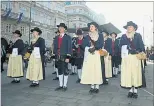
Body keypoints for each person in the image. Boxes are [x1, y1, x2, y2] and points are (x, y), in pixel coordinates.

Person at [120, 21, 145, 98]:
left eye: (130, 27)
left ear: (134, 28)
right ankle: (131, 90)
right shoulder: (124, 36)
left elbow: (141, 46)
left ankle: (135, 90)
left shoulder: (138, 35)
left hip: (135, 57)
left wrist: (138, 51)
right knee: (128, 73)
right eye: (128, 27)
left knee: (135, 73)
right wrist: (127, 47)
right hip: (127, 57)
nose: (129, 28)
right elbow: (120, 45)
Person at [80, 22, 103, 94]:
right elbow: (83, 45)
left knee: (96, 69)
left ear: (95, 27)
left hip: (96, 54)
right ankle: (92, 86)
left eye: (92, 26)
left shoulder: (100, 35)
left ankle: (97, 86)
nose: (91, 27)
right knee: (90, 70)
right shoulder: (87, 36)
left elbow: (101, 44)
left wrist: (95, 48)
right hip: (89, 54)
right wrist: (88, 47)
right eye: (90, 26)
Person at [53, 23, 72, 91]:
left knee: (65, 70)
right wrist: (54, 54)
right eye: (59, 28)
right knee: (59, 70)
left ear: (64, 29)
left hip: (64, 56)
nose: (60, 29)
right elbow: (55, 47)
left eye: (61, 28)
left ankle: (65, 85)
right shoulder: (56, 37)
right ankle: (60, 85)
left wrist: (68, 57)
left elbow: (69, 47)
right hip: (58, 56)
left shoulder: (68, 37)